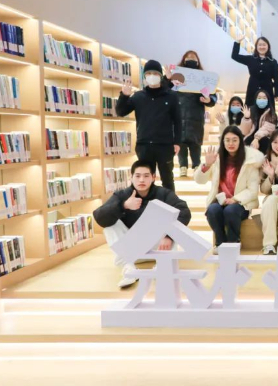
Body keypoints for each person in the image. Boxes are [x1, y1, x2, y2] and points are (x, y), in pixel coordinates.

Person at [93, 159, 191, 288]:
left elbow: (185, 212)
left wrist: (169, 236)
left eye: (146, 176)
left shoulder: (163, 194)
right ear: (131, 177)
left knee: (170, 217)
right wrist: (123, 206)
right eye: (137, 176)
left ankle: (162, 266)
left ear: (153, 177)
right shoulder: (122, 195)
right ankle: (129, 269)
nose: (141, 180)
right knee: (110, 226)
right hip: (132, 251)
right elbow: (99, 217)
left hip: (159, 247)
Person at [116, 59, 181, 191]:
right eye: (149, 73)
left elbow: (178, 121)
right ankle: (146, 203)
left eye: (155, 73)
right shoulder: (138, 96)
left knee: (167, 179)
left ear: (160, 76)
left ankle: (170, 203)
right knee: (145, 180)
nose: (152, 76)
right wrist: (124, 96)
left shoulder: (171, 96)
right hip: (144, 145)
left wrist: (177, 142)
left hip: (165, 146)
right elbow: (121, 112)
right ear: (144, 76)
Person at [195, 125, 264, 248]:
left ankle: (233, 243)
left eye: (234, 140)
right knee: (212, 210)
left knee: (230, 210)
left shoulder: (250, 161)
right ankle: (220, 243)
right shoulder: (216, 159)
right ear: (223, 142)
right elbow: (199, 180)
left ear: (240, 141)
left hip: (241, 203)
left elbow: (252, 191)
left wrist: (235, 199)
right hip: (220, 201)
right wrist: (207, 165)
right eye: (227, 140)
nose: (231, 143)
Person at [164, 51, 217, 177]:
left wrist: (209, 100)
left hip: (196, 116)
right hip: (179, 115)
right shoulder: (176, 76)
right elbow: (164, 90)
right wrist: (167, 78)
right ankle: (183, 166)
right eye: (188, 58)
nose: (191, 60)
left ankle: (196, 166)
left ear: (198, 62)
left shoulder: (203, 78)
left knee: (195, 143)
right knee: (181, 141)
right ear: (183, 60)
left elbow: (212, 95)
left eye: (193, 58)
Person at [232, 35, 278, 105]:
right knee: (250, 110)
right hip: (252, 90)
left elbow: (276, 78)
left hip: (267, 91)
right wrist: (237, 42)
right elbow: (234, 56)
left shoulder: (273, 61)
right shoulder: (251, 59)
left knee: (268, 110)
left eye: (264, 45)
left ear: (268, 46)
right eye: (260, 45)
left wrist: (277, 94)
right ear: (256, 47)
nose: (262, 47)